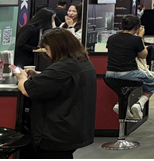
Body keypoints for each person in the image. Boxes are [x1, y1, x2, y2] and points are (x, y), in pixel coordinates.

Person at [14, 29, 96, 159]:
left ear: (57, 47)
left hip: (56, 131)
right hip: (75, 126)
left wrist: (21, 77)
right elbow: (61, 80)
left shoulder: (62, 68)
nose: (47, 53)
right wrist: (39, 75)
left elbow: (27, 90)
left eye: (47, 49)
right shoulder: (82, 62)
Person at [106, 15, 154, 120]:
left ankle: (121, 104)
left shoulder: (112, 38)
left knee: (128, 86)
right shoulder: (136, 40)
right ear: (137, 27)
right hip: (129, 74)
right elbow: (143, 55)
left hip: (110, 75)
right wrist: (140, 38)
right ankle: (140, 104)